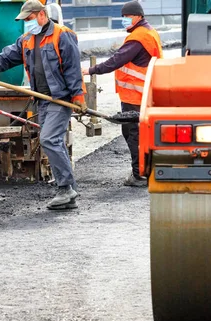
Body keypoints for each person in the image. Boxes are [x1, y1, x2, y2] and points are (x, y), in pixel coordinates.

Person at [0, 0, 87, 210]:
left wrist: (78, 96)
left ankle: (66, 189)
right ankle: (69, 191)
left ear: (41, 14)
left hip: (60, 98)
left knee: (49, 139)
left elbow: (72, 67)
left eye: (29, 19)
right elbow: (5, 57)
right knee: (55, 141)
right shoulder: (27, 40)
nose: (27, 23)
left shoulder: (62, 34)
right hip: (41, 99)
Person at [82, 0, 163, 187]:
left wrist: (92, 70)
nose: (124, 20)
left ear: (137, 16)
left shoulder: (138, 37)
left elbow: (117, 60)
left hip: (135, 96)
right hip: (145, 94)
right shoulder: (150, 32)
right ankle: (146, 170)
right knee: (142, 134)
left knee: (132, 133)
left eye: (126, 17)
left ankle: (139, 174)